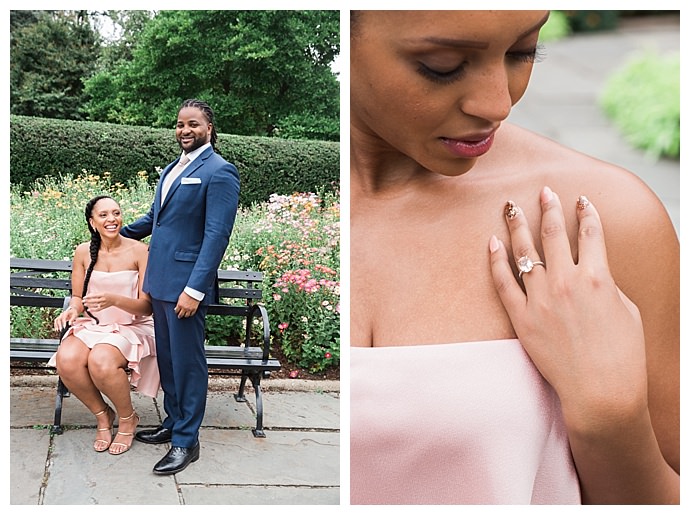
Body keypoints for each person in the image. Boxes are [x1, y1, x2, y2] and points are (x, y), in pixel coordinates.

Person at [349, 11, 679, 505]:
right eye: (443, 64)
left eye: (524, 50)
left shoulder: (599, 219)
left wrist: (612, 420)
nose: (498, 104)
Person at [120, 98, 240, 475]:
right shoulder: (173, 168)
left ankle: (187, 442)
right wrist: (113, 235)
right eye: (179, 124)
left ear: (209, 128)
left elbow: (216, 235)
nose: (184, 130)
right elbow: (156, 218)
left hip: (187, 287)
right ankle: (173, 421)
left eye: (193, 124)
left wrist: (195, 289)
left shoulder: (220, 171)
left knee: (188, 364)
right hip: (159, 283)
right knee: (169, 360)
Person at [52, 195, 158, 456]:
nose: (112, 219)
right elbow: (78, 298)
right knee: (66, 359)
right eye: (104, 215)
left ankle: (127, 418)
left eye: (116, 213)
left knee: (101, 359)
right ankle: (102, 415)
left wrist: (114, 300)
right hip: (95, 325)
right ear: (92, 222)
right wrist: (71, 311)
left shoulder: (139, 251)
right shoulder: (83, 252)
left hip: (133, 326)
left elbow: (147, 307)